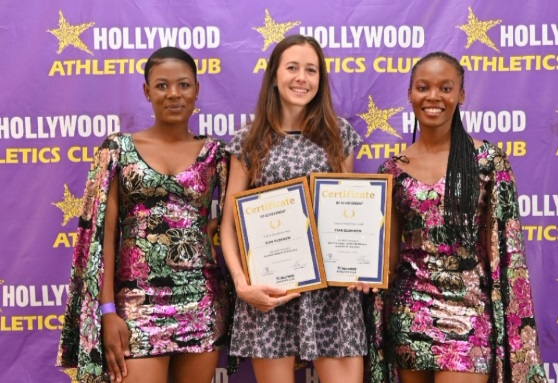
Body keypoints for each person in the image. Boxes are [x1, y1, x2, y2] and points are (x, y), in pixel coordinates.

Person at [364, 52, 547, 383]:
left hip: (468, 311)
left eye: (445, 88)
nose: (433, 97)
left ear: (460, 95)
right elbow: (387, 255)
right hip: (409, 312)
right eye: (423, 87)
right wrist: (364, 271)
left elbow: (507, 252)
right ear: (410, 94)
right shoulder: (392, 169)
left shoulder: (488, 162)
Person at [57, 47, 233, 383]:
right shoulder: (117, 149)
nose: (173, 94)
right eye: (162, 85)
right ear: (147, 91)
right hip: (136, 304)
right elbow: (103, 238)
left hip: (201, 300)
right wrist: (108, 311)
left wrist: (212, 230)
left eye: (183, 85)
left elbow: (234, 221)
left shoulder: (216, 154)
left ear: (196, 90)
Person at [219, 34, 366, 383]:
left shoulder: (339, 136)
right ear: (274, 75)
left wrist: (360, 264)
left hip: (334, 295)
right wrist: (242, 285)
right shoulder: (248, 140)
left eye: (311, 70)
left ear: (321, 79)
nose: (302, 77)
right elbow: (229, 225)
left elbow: (352, 208)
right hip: (271, 291)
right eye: (293, 68)